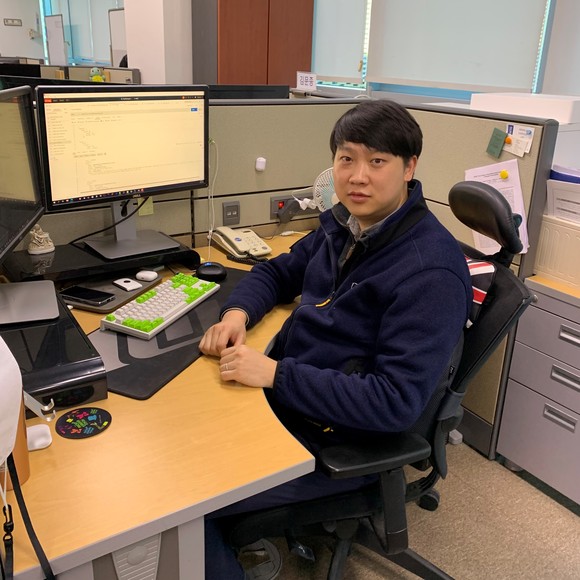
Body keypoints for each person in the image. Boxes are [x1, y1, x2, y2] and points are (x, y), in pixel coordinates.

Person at [199, 99, 473, 578]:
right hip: (293, 404)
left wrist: (277, 374)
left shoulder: (429, 273)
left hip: (339, 440)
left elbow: (394, 402)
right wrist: (238, 313)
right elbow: (279, 272)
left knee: (187, 509)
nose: (358, 177)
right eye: (347, 159)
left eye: (377, 161)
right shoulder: (348, 226)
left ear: (410, 168)